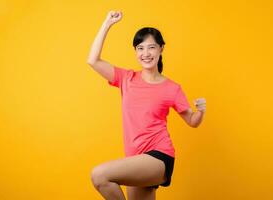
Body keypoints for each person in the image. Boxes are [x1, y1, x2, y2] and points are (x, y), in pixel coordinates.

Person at [87, 10, 206, 200]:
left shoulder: (172, 88)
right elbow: (92, 60)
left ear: (161, 49)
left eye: (151, 48)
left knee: (100, 175)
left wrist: (200, 111)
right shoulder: (126, 78)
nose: (146, 53)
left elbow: (192, 120)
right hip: (135, 158)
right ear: (135, 52)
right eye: (140, 48)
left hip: (159, 156)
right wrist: (107, 24)